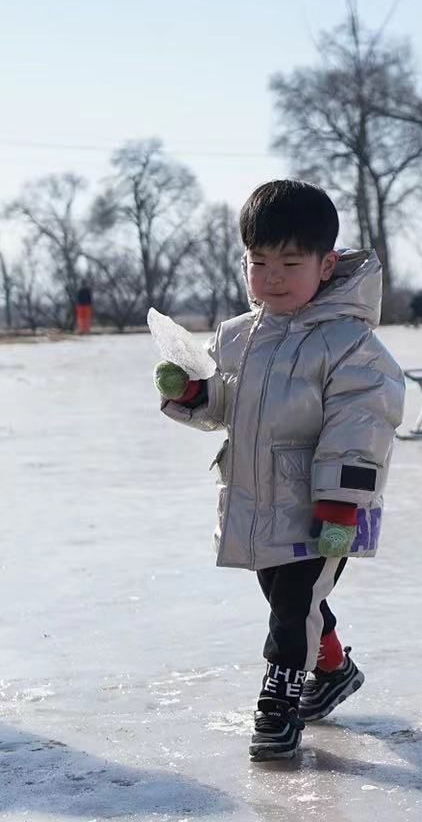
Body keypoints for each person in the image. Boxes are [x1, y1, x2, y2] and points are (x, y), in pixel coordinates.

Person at [155, 180, 404, 760]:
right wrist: (193, 391)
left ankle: (279, 704)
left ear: (326, 265)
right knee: (290, 602)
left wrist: (342, 503)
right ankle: (335, 668)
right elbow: (225, 409)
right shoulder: (240, 336)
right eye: (258, 262)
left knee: (292, 610)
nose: (272, 277)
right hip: (253, 498)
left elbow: (361, 423)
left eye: (291, 263)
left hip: (323, 510)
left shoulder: (352, 344)